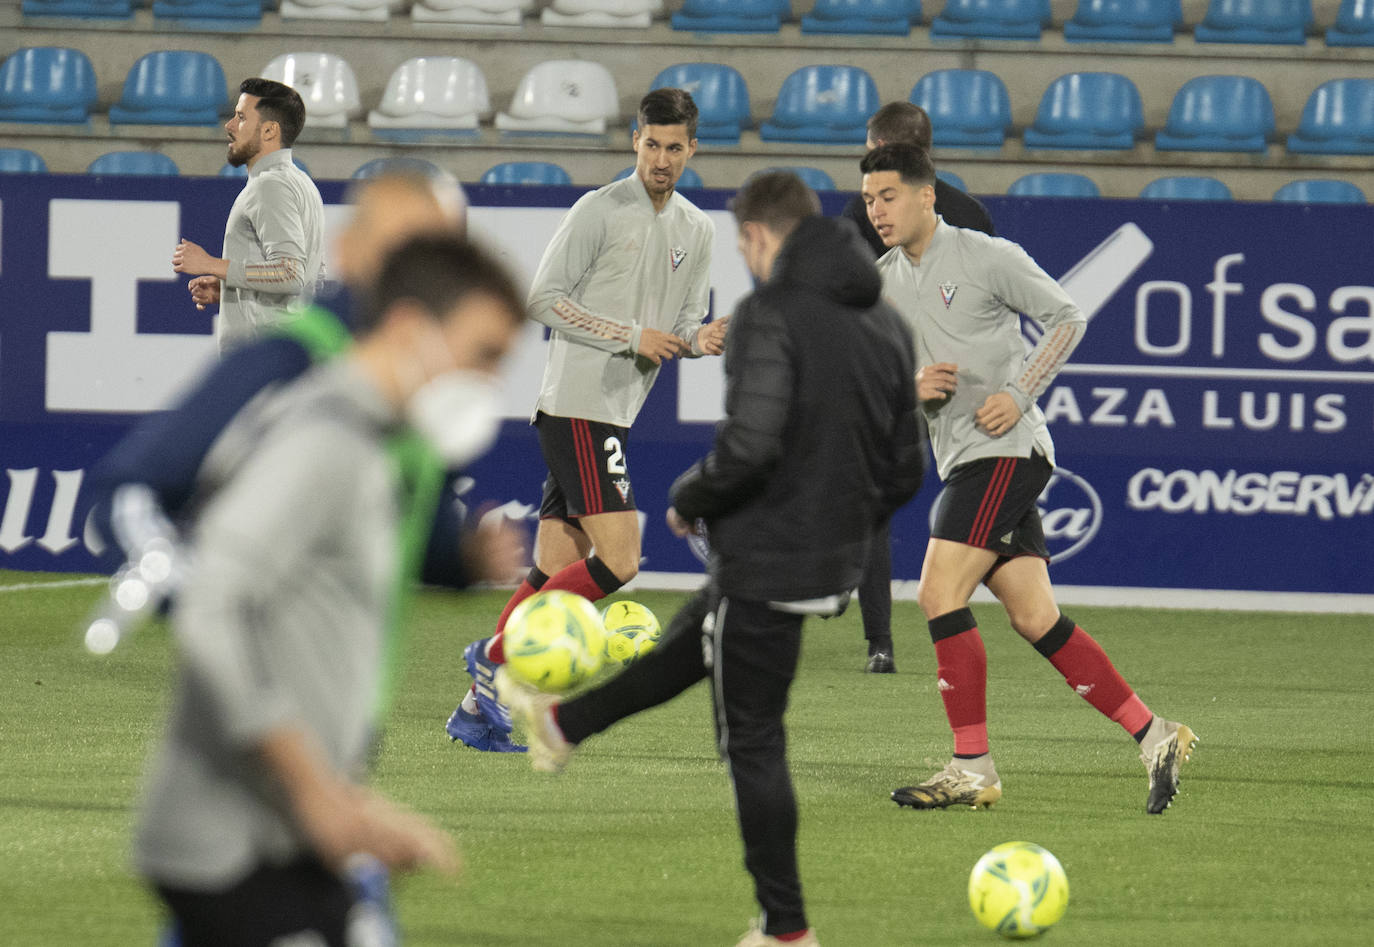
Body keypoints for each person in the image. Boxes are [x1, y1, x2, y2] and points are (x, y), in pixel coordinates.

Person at [500, 171, 925, 947]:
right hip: (825, 561)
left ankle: (787, 928)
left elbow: (752, 443)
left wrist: (693, 495)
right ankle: (563, 724)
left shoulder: (771, 315)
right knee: (697, 639)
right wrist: (842, 526)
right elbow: (905, 469)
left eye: (745, 248)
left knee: (753, 738)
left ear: (761, 238)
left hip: (767, 559)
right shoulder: (887, 323)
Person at [134, 236, 527, 946]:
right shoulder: (326, 440)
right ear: (411, 330)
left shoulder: (372, 441)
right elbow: (212, 605)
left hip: (283, 831)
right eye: (486, 354)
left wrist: (345, 800)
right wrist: (319, 796)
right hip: (236, 844)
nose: (492, 384)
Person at [859, 143, 1197, 815]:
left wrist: (1018, 391)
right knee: (1035, 615)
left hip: (1008, 449)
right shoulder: (883, 280)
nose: (876, 211)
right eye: (869, 199)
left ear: (927, 194)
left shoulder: (987, 256)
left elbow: (1069, 318)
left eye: (888, 196)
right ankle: (1155, 733)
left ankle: (972, 766)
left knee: (937, 591)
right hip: (962, 456)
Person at [89, 169, 519, 615]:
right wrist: (197, 600)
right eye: (402, 251)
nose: (420, 273)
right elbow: (128, 491)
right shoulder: (290, 358)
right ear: (347, 251)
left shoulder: (435, 379)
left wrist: (462, 558)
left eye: (440, 253)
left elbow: (410, 523)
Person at [447, 88, 729, 750]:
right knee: (621, 558)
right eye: (650, 144)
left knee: (553, 570)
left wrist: (700, 338)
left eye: (673, 148)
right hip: (578, 405)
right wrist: (631, 335)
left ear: (693, 149)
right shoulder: (598, 210)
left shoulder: (698, 229)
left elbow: (680, 325)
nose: (660, 158)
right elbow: (542, 298)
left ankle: (476, 708)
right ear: (635, 139)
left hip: (614, 411)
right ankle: (493, 652)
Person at [840, 102, 997, 675]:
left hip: (893, 384)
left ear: (883, 147)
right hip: (964, 385)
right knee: (978, 497)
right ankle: (984, 612)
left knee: (871, 509)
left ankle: (879, 639)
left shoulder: (857, 218)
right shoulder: (972, 213)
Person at [172, 77, 326, 353]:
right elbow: (315, 277)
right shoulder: (302, 183)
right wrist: (235, 291)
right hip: (281, 351)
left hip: (261, 358)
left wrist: (213, 264)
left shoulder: (270, 186)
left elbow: (291, 274)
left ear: (269, 131)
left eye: (241, 118)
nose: (229, 126)